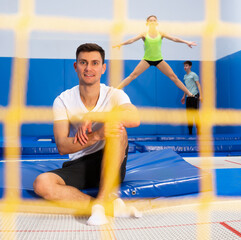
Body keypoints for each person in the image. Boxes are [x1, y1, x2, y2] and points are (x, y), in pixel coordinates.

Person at [33, 43, 141, 225]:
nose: (89, 68)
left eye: (95, 63)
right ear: (76, 66)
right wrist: (97, 135)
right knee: (42, 183)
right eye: (83, 62)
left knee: (117, 128)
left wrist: (94, 116)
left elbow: (134, 119)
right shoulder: (63, 100)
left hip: (112, 160)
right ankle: (104, 207)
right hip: (80, 164)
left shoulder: (114, 94)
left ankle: (101, 203)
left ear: (103, 68)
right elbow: (62, 146)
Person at [113, 15, 196, 97]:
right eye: (150, 21)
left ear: (156, 23)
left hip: (159, 60)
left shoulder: (161, 33)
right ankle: (115, 90)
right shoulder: (144, 34)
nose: (152, 22)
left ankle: (189, 94)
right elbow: (132, 40)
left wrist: (186, 42)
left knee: (174, 77)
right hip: (147, 60)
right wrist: (121, 44)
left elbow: (174, 39)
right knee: (132, 75)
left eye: (154, 21)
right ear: (147, 23)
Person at [181, 61, 202, 135]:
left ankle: (199, 132)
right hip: (188, 97)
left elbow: (198, 85)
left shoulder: (194, 75)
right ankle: (190, 133)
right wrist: (184, 97)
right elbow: (186, 88)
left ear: (190, 66)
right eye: (184, 66)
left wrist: (201, 96)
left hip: (195, 96)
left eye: (186, 65)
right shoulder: (185, 76)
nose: (185, 67)